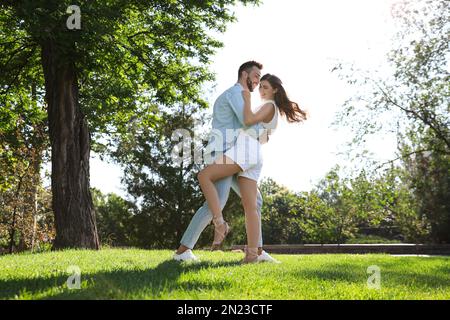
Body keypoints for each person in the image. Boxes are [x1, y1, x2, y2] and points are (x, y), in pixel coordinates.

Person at [197, 73, 307, 263]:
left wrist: (246, 98)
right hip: (252, 153)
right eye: (260, 86)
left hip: (246, 152)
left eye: (265, 87)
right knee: (250, 207)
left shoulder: (268, 106)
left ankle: (219, 224)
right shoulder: (268, 108)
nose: (261, 90)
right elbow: (260, 134)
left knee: (204, 176)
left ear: (275, 90)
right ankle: (252, 255)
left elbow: (247, 120)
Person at [174, 61, 277, 263]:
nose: (257, 81)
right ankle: (182, 251)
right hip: (221, 152)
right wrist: (263, 133)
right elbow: (246, 120)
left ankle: (257, 250)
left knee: (255, 200)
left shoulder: (240, 95)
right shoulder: (236, 94)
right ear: (244, 74)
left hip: (234, 155)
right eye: (255, 76)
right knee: (217, 202)